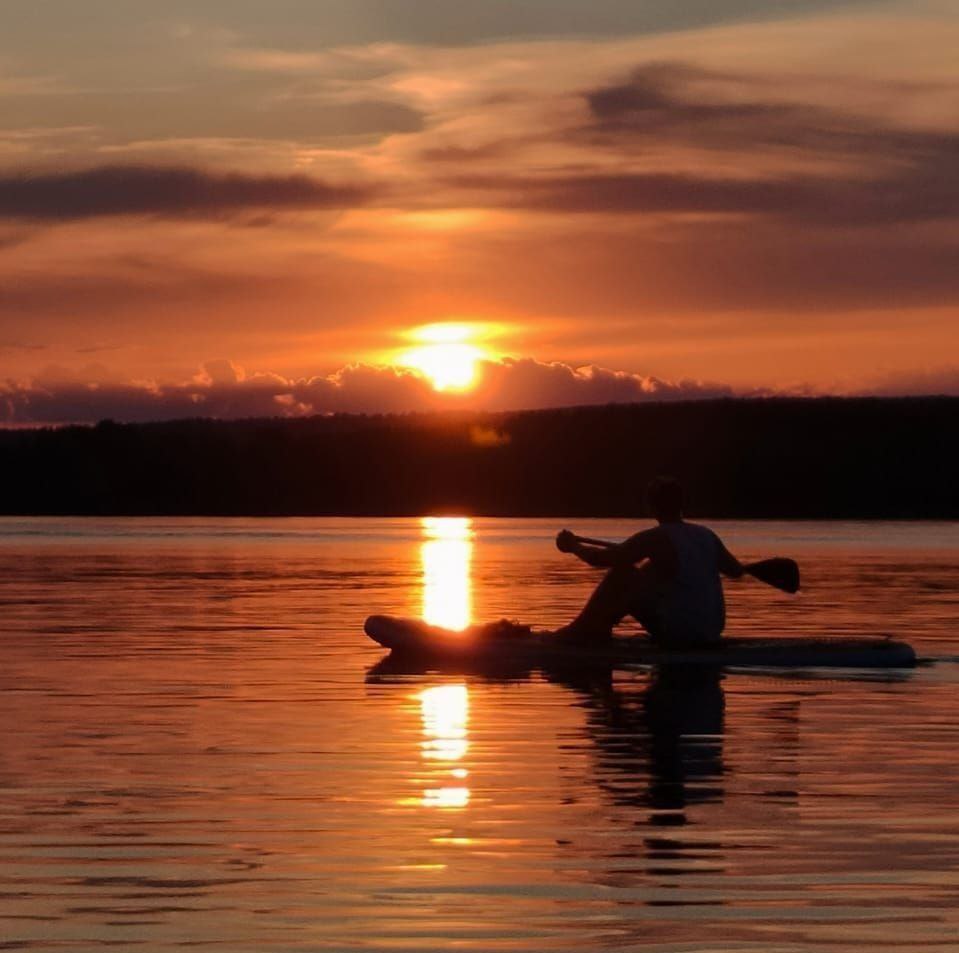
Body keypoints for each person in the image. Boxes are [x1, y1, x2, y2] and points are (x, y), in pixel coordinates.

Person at [555, 476, 743, 644]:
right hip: (711, 630)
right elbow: (736, 570)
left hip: (681, 633)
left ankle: (581, 631)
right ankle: (598, 629)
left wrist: (573, 547)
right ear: (681, 505)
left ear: (650, 506)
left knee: (621, 574)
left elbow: (599, 559)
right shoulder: (706, 535)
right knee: (645, 571)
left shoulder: (655, 538)